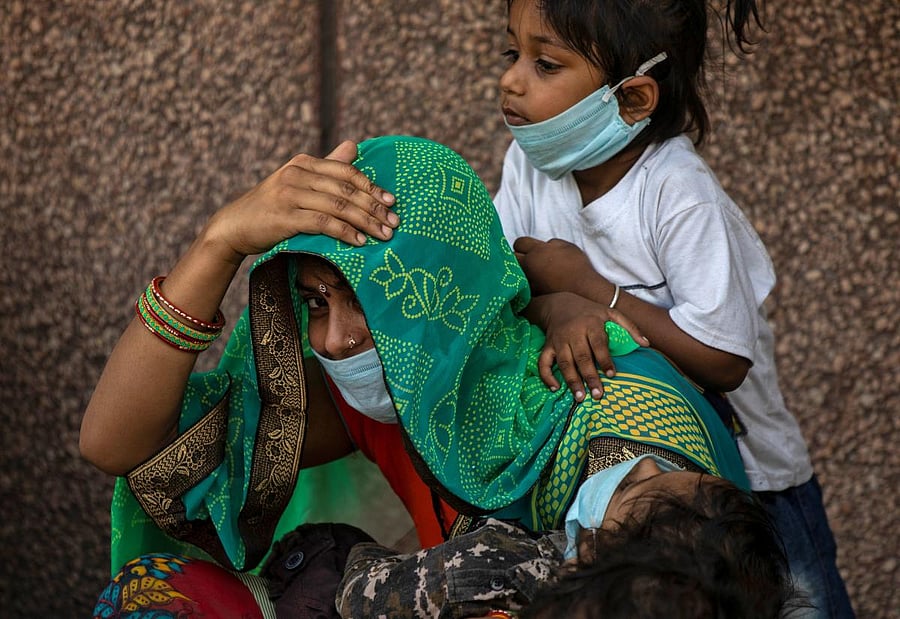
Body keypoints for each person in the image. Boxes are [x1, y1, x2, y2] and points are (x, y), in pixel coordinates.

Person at [85, 136, 758, 615]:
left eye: (372, 302)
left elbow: (678, 556)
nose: (336, 339)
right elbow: (121, 445)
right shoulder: (395, 395)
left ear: (445, 300)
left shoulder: (599, 391)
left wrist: (364, 589)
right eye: (316, 304)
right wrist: (219, 242)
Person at [489, 0, 854, 615]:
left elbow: (722, 358)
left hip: (745, 494)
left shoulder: (677, 194)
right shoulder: (529, 167)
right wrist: (559, 310)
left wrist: (592, 291)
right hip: (628, 484)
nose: (511, 78)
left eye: (545, 63)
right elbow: (505, 292)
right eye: (512, 53)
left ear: (633, 100)